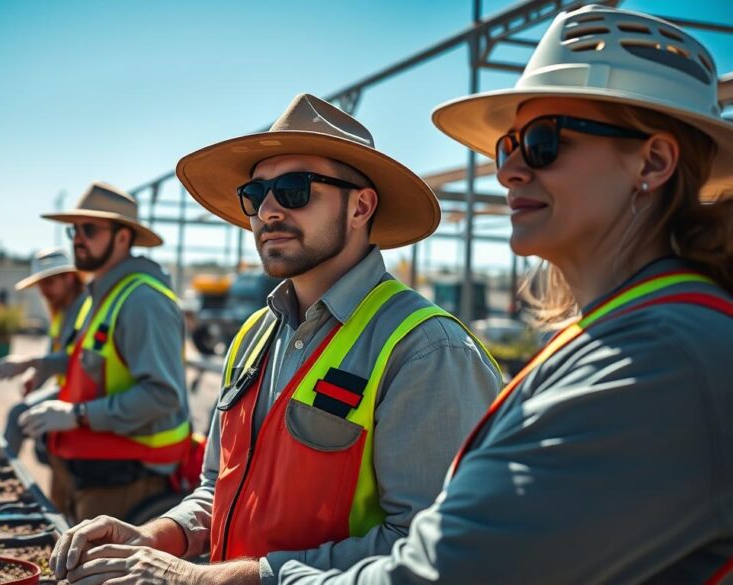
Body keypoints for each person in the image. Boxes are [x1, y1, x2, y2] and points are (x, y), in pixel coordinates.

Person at [270, 5, 733, 583]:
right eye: (506, 146)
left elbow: (446, 574)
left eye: (542, 142)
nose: (509, 170)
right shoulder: (630, 336)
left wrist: (253, 577)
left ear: (654, 160)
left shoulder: (662, 361)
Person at [52, 94, 502, 584]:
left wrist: (220, 578)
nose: (266, 209)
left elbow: (437, 554)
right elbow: (217, 488)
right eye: (255, 193)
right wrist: (158, 535)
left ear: (361, 206)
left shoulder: (426, 350)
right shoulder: (254, 336)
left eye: (294, 189)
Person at [18, 181, 191, 523]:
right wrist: (43, 365)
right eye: (74, 230)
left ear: (123, 237)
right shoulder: (104, 295)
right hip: (91, 468)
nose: (78, 238)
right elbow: (91, 367)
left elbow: (161, 396)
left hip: (127, 478)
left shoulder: (143, 301)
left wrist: (78, 414)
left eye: (90, 229)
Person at [0, 247, 89, 457]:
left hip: (84, 393)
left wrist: (29, 361)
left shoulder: (86, 308)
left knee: (19, 415)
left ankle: (4, 470)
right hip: (68, 387)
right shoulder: (62, 310)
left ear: (70, 279)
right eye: (40, 284)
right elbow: (53, 354)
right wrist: (37, 376)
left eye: (49, 282)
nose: (43, 291)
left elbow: (77, 361)